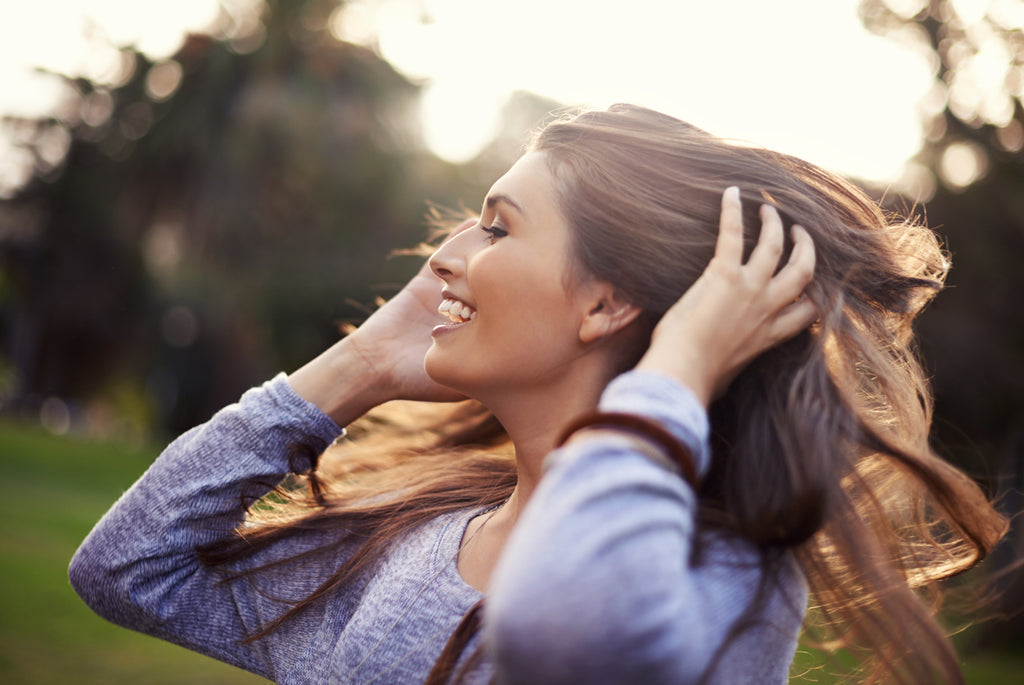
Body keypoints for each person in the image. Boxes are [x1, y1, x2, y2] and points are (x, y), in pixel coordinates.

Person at [70, 104, 1006, 684]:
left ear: (608, 301)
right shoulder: (422, 540)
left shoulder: (721, 572)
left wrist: (675, 366)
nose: (444, 256)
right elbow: (127, 570)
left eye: (495, 226)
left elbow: (557, 627)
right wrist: (355, 368)